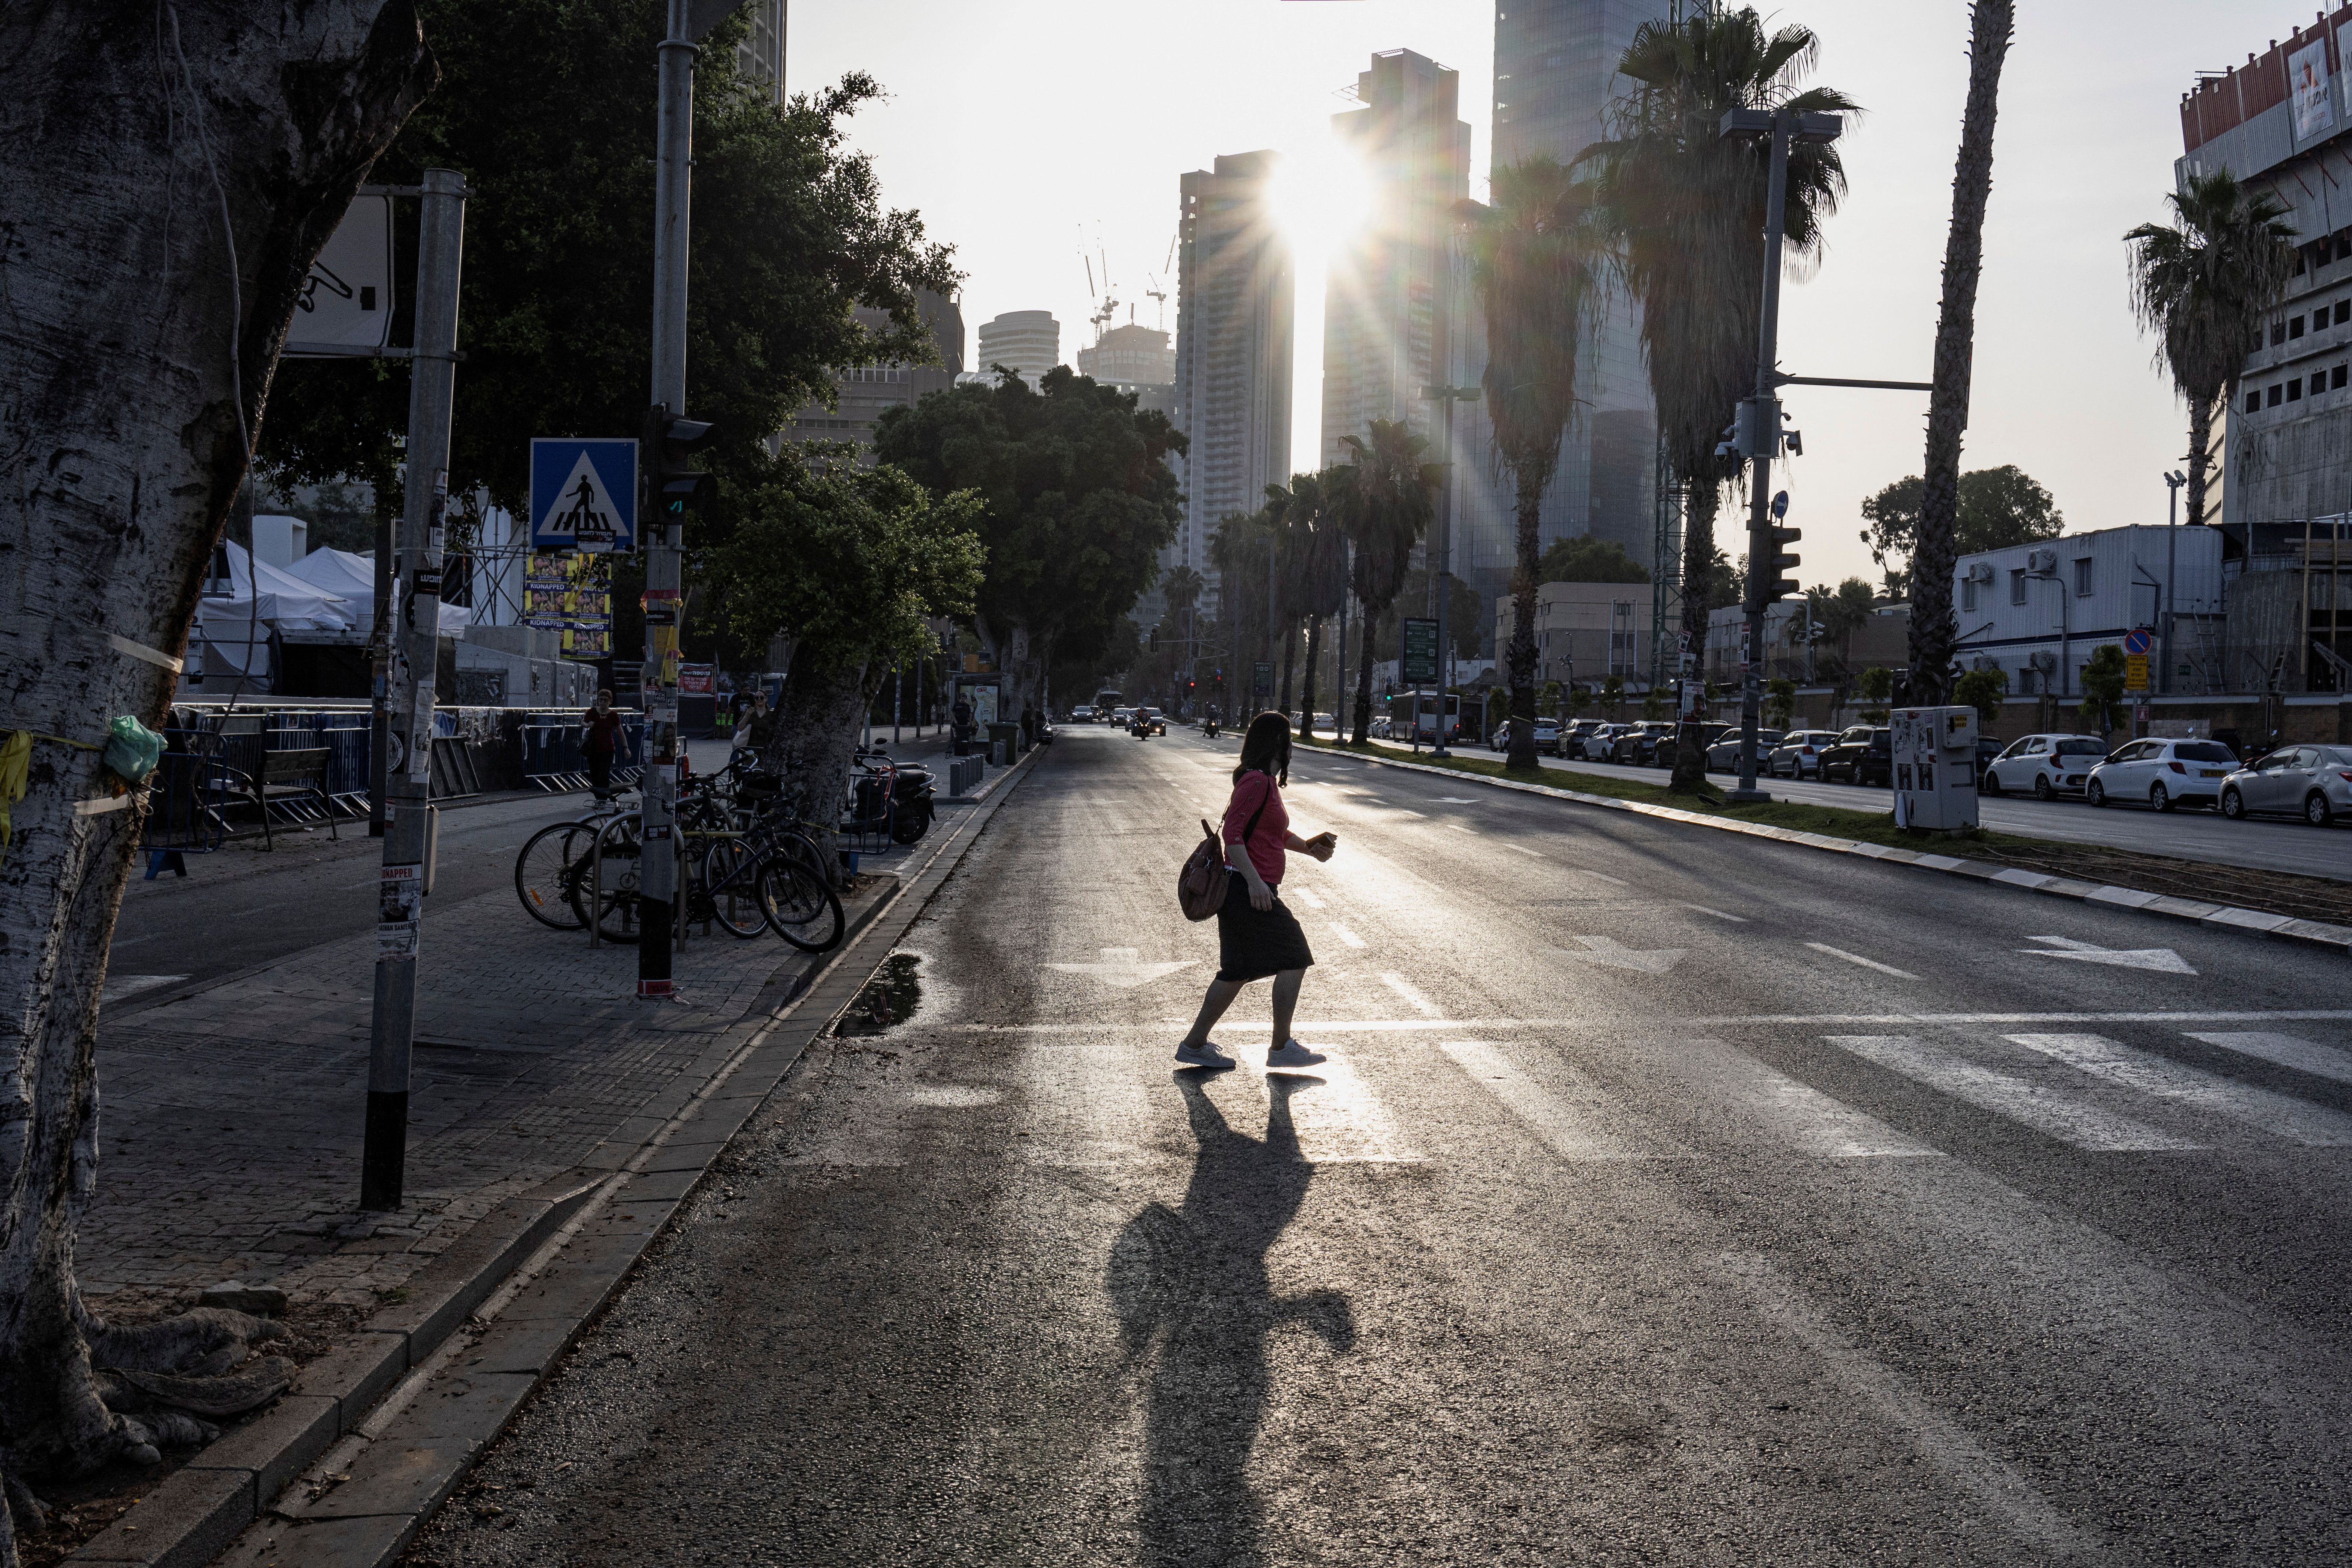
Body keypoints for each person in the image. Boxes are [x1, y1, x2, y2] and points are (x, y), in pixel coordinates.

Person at [1174, 711, 1339, 1072]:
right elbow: (1233, 836)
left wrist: (1309, 848)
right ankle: (1281, 1046)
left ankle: (1194, 1045)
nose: (1293, 746)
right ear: (1278, 742)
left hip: (1247, 889)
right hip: (1248, 891)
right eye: (1289, 739)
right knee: (1295, 955)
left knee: (1236, 971)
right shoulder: (1257, 781)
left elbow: (1274, 834)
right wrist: (1255, 882)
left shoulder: (1264, 782)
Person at [583, 688, 630, 800]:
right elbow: (583, 722)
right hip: (593, 749)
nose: (603, 703)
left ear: (610, 701)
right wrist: (587, 725)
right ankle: (599, 797)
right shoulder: (593, 712)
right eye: (601, 700)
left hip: (608, 749)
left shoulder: (613, 715)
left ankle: (603, 799)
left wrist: (626, 748)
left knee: (604, 774)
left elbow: (620, 731)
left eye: (605, 700)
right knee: (594, 774)